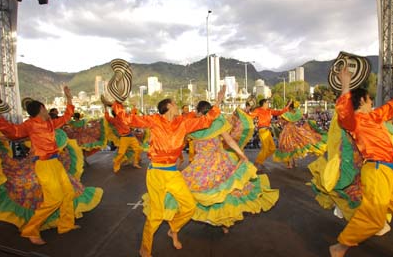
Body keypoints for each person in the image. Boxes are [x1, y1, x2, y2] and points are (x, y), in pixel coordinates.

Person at [111, 86, 225, 257]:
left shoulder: (183, 123)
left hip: (172, 173)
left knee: (189, 207)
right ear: (169, 106)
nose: (178, 105)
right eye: (174, 103)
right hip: (156, 173)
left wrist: (218, 101)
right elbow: (128, 119)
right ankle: (145, 248)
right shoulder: (154, 120)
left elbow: (206, 120)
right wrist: (117, 103)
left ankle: (173, 229)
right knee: (156, 214)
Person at [151, 100, 279, 234]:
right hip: (212, 164)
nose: (195, 113)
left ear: (200, 112)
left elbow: (176, 140)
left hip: (210, 165)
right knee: (220, 193)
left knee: (216, 194)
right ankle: (216, 221)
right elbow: (228, 140)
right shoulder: (202, 125)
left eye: (196, 111)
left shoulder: (197, 126)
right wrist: (241, 154)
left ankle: (222, 220)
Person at [0, 86, 79, 245]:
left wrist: (69, 98)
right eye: (45, 107)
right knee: (54, 199)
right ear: (42, 109)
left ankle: (65, 225)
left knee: (68, 193)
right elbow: (13, 132)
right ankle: (30, 230)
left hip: (55, 163)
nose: (46, 109)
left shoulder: (49, 123)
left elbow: (67, 116)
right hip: (43, 165)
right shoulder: (30, 124)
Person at [329, 67, 393, 257]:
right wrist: (346, 84)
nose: (373, 103)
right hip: (377, 170)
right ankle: (340, 247)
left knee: (377, 216)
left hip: (388, 170)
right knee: (373, 217)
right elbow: (343, 112)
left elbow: (390, 107)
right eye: (370, 99)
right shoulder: (354, 121)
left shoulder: (374, 117)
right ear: (363, 100)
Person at [273, 101, 326, 168]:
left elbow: (282, 121)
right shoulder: (296, 113)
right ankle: (294, 163)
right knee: (295, 145)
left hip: (287, 130)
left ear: (289, 107)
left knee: (287, 146)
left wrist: (276, 121)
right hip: (294, 129)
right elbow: (302, 119)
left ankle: (290, 164)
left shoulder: (286, 114)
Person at [248, 99, 292, 169]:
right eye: (267, 102)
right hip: (262, 130)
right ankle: (256, 165)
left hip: (267, 131)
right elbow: (250, 116)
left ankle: (260, 161)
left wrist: (288, 105)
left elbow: (279, 112)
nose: (268, 103)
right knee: (265, 149)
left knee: (272, 148)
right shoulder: (258, 110)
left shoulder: (269, 110)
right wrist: (247, 110)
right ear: (264, 103)